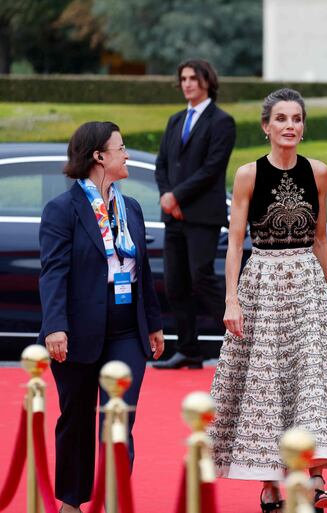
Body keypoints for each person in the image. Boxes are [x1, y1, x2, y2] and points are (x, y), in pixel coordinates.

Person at [208, 88, 327, 513]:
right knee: (266, 382)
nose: (290, 126)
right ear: (266, 126)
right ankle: (269, 485)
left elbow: (319, 239)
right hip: (261, 282)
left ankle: (316, 477)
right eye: (280, 119)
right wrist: (231, 300)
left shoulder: (318, 171)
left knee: (311, 380)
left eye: (296, 119)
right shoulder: (248, 174)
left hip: (307, 284)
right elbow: (235, 243)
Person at [38, 121, 164, 513]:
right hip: (78, 329)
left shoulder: (132, 208)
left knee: (119, 417)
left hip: (127, 328)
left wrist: (154, 323)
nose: (126, 154)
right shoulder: (63, 210)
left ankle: (113, 499)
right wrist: (55, 326)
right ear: (99, 156)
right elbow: (54, 271)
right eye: (121, 148)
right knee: (75, 418)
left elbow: (142, 273)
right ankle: (72, 502)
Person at [154, 59, 236, 369]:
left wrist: (177, 195)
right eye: (184, 78)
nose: (187, 83)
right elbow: (162, 164)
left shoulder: (222, 121)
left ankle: (241, 344)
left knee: (202, 279)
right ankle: (189, 350)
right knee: (175, 284)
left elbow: (211, 169)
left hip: (202, 216)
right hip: (173, 215)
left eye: (193, 78)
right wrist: (166, 195)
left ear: (207, 82)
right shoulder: (175, 120)